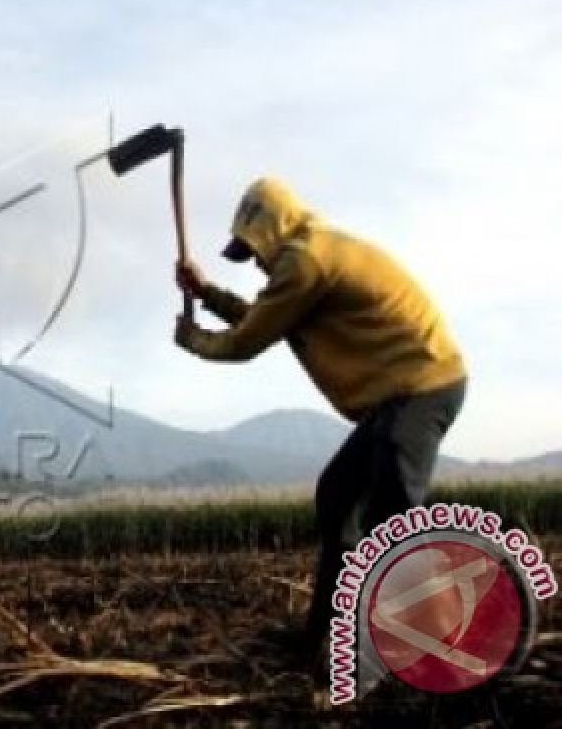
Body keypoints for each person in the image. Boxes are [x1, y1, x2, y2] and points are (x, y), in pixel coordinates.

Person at [173, 176, 467, 650]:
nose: (256, 263)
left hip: (421, 385)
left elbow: (247, 339)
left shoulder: (305, 262)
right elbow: (265, 317)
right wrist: (205, 293)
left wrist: (193, 338)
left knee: (393, 516)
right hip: (396, 395)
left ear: (274, 226)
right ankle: (328, 637)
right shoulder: (308, 255)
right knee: (337, 497)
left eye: (253, 249)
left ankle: (450, 642)